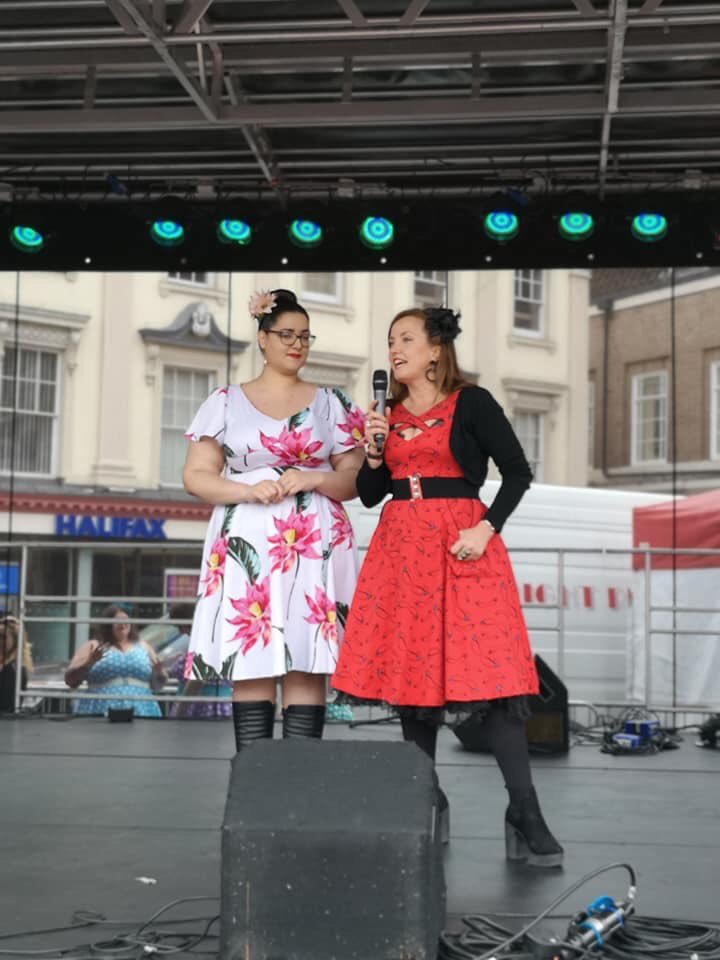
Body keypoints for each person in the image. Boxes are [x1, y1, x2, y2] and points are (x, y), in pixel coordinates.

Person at [332, 306, 563, 868]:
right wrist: (374, 448)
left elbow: (518, 471)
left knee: (497, 678)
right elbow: (368, 493)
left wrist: (486, 528)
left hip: (464, 541)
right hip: (402, 546)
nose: (394, 348)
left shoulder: (473, 402)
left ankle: (524, 808)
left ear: (436, 350)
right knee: (413, 679)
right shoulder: (383, 414)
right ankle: (424, 798)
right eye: (390, 340)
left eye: (406, 338)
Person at [182, 288, 364, 751]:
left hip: (315, 539)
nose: (296, 344)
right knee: (253, 656)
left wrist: (312, 478)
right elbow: (196, 476)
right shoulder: (224, 400)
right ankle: (254, 781)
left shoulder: (332, 402)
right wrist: (246, 490)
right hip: (249, 534)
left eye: (305, 336)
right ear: (262, 338)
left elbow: (353, 481)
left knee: (307, 655)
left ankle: (298, 783)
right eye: (286, 334)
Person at [65, 605, 166, 718]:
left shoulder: (143, 646)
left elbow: (159, 684)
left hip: (142, 708)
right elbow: (70, 680)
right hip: (100, 708)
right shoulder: (93, 646)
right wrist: (90, 662)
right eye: (117, 621)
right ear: (108, 625)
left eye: (126, 620)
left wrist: (159, 672)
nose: (122, 624)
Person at [163, 602, 233, 719]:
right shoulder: (211, 641)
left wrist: (179, 711)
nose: (181, 632)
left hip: (204, 707)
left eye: (181, 626)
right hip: (211, 705)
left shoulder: (206, 642)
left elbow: (197, 680)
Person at [0, 616, 32, 713]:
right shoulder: (12, 666)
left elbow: (5, 706)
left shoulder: (12, 669)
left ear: (16, 640)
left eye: (3, 637)